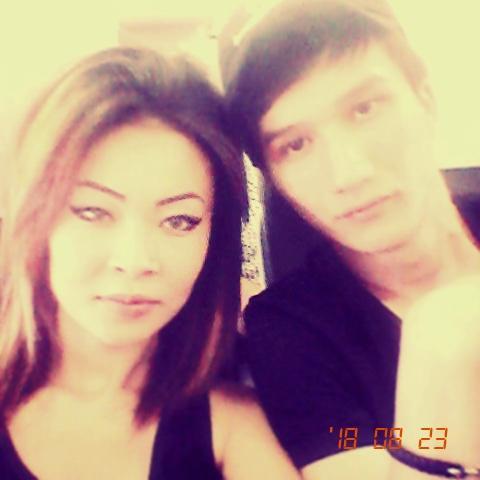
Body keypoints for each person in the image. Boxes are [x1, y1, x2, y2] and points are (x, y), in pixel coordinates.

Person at [0, 47, 300, 480]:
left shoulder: (234, 429)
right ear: (34, 215)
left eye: (179, 221)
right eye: (92, 211)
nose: (135, 261)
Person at [220, 0, 480, 478]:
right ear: (272, 176)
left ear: (425, 99)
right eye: (295, 145)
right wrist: (442, 343)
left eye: (365, 109)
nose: (350, 172)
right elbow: (353, 453)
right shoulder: (292, 332)